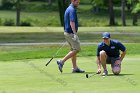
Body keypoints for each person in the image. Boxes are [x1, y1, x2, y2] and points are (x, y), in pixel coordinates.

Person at [56, 0, 85, 73]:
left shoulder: (69, 8)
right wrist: (75, 33)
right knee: (77, 49)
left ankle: (75, 68)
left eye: (79, 2)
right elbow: (72, 22)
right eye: (77, 2)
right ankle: (61, 61)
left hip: (67, 33)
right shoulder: (72, 10)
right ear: (72, 1)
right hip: (71, 33)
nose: (78, 4)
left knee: (73, 50)